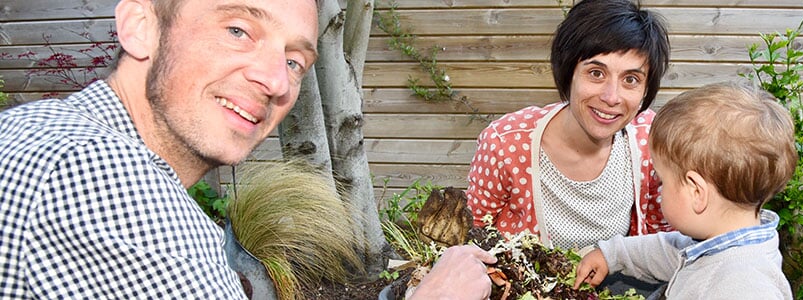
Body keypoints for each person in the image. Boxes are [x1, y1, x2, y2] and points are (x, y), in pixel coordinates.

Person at [0, 0, 493, 298]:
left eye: (295, 60)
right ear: (140, 25)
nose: (277, 80)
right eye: (238, 29)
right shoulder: (95, 175)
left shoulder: (39, 129)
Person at [466, 0, 672, 250]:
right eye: (596, 73)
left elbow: (658, 238)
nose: (611, 97)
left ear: (645, 90)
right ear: (567, 72)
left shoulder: (650, 138)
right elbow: (471, 236)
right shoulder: (505, 143)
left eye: (630, 79)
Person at [572, 80, 798, 299]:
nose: (659, 191)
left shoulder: (744, 287)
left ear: (696, 192)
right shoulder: (718, 244)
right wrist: (611, 255)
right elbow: (670, 251)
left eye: (663, 182)